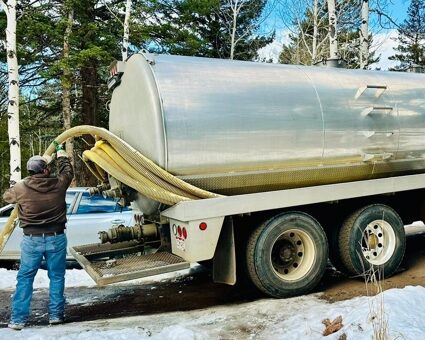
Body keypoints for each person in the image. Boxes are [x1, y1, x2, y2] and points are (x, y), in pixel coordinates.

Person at [3, 145, 73, 330]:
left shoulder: (21, 188)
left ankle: (18, 320)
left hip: (31, 239)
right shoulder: (59, 184)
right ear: (46, 169)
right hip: (56, 238)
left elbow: (6, 197)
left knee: (25, 278)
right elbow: (68, 171)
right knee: (57, 277)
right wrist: (61, 156)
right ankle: (56, 316)